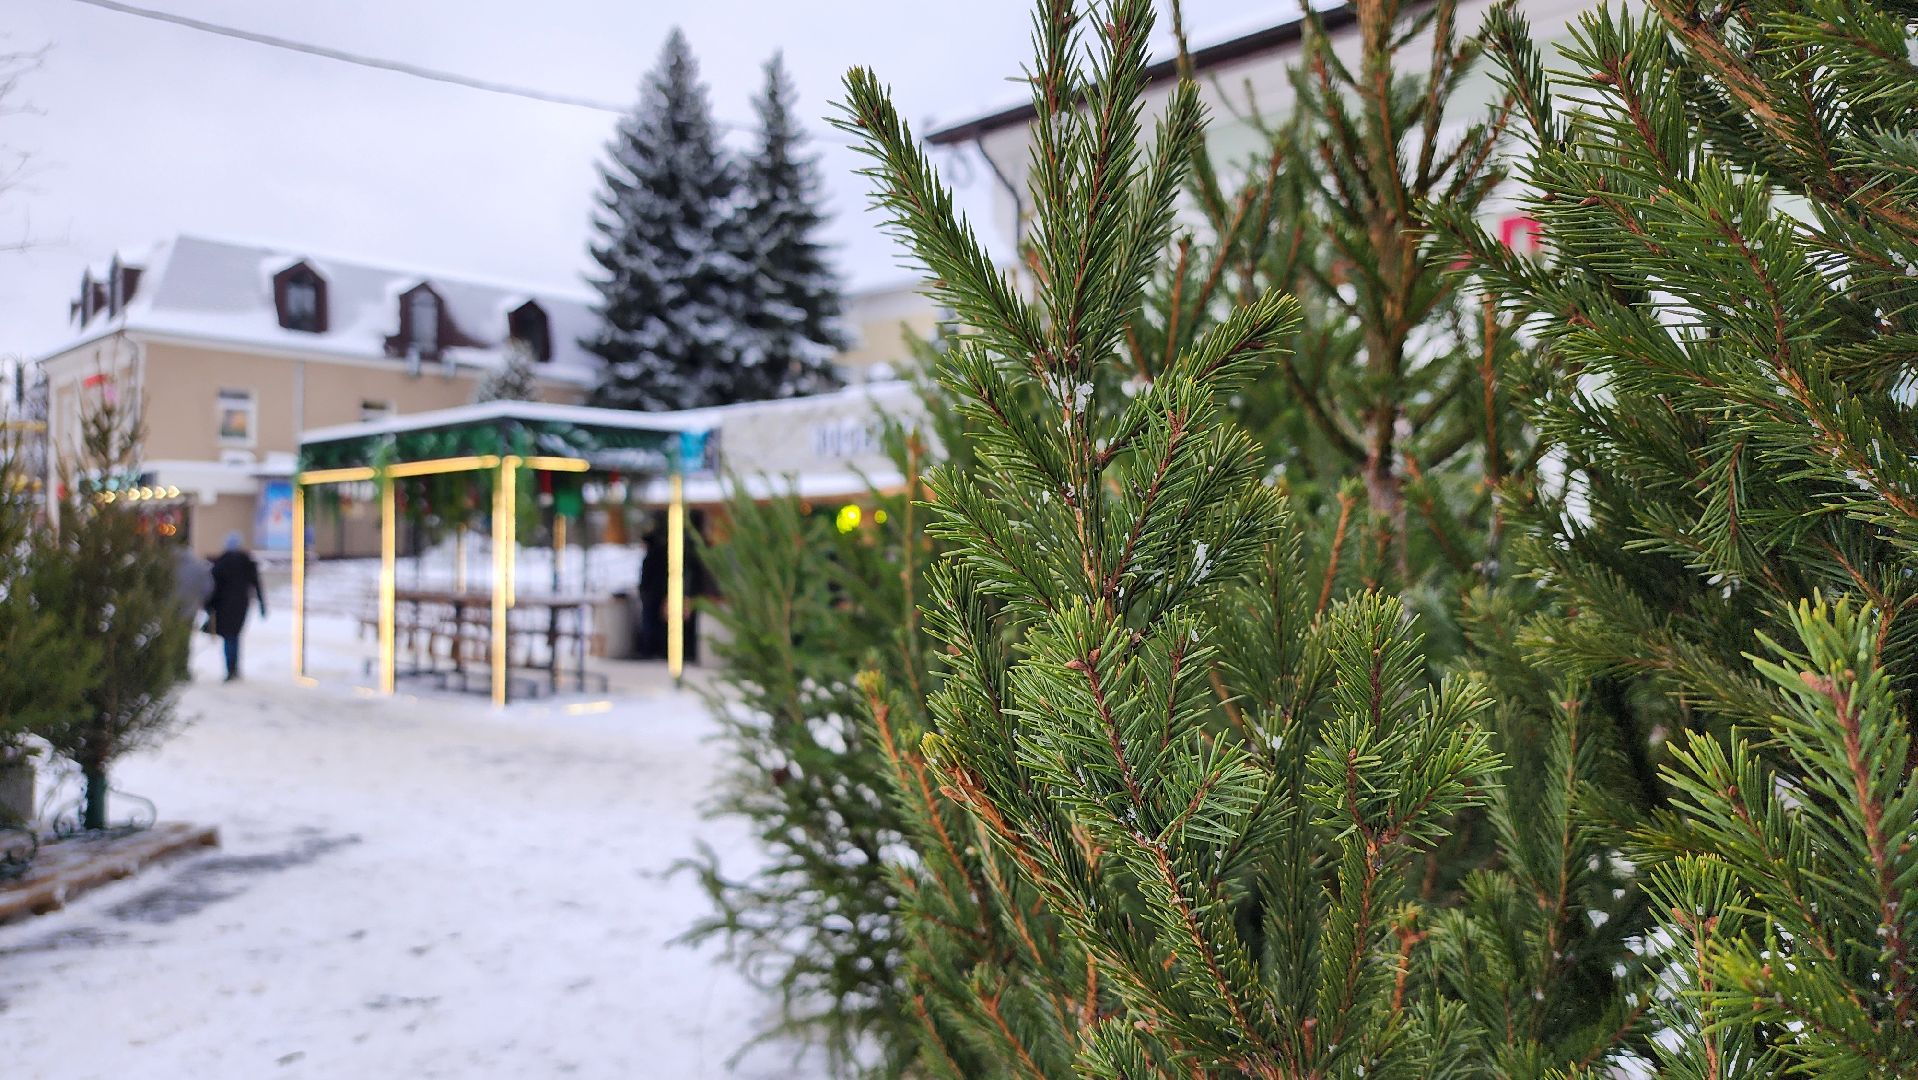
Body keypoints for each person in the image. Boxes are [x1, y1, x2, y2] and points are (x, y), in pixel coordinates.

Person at [207, 532, 265, 682]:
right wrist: (262, 603)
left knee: (229, 637)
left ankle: (231, 668)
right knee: (234, 636)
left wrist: (209, 606)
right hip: (241, 605)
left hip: (224, 606)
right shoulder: (246, 563)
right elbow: (256, 584)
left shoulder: (221, 563)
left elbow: (213, 588)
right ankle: (234, 668)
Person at [171, 544, 214, 680]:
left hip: (169, 610)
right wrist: (200, 599)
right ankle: (182, 668)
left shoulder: (169, 566)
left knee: (170, 639)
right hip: (190, 609)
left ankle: (170, 668)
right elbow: (208, 587)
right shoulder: (198, 567)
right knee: (184, 639)